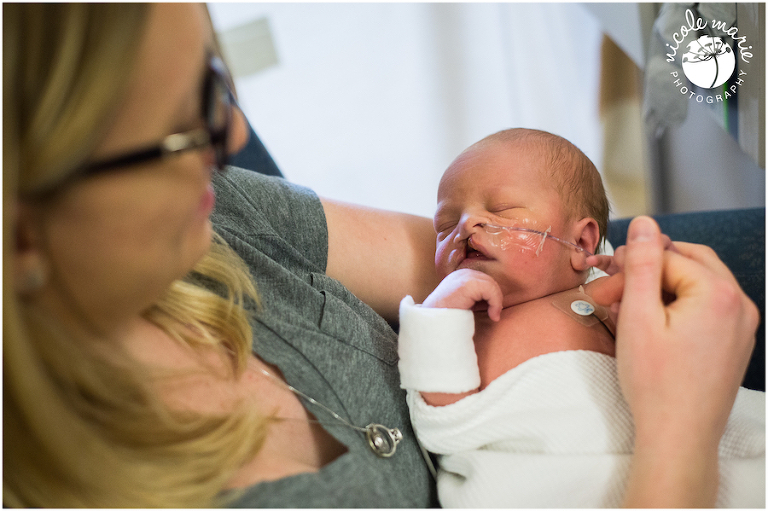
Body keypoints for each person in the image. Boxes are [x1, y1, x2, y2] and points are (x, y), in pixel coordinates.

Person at [3, 3, 759, 508]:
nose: (234, 142)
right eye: (186, 123)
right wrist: (679, 434)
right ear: (22, 231)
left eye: (214, 87)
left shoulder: (221, 211)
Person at [397, 129, 765, 507]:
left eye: (503, 210)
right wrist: (437, 315)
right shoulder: (464, 326)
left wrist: (654, 281)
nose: (465, 225)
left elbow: (685, 334)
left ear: (582, 243)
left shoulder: (605, 294)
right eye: (444, 225)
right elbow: (444, 418)